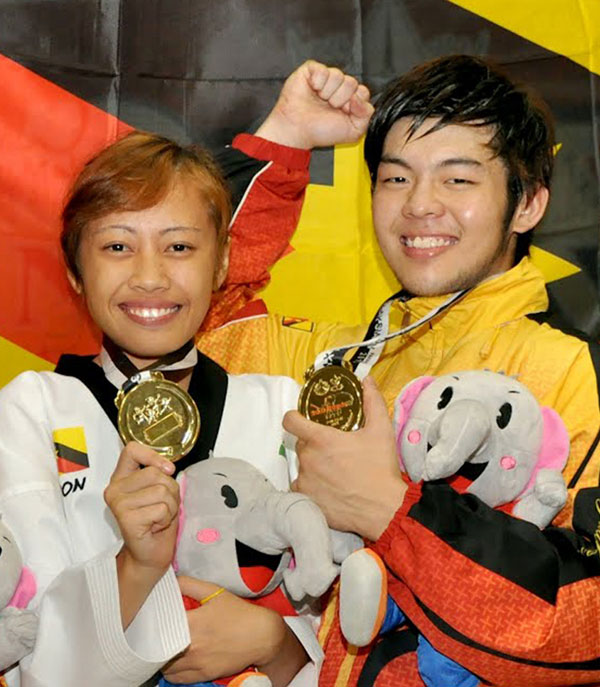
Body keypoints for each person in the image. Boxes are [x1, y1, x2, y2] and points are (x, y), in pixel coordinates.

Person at [198, 57, 600, 686]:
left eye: (458, 180)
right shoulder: (328, 358)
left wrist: (389, 507)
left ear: (527, 204)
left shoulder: (574, 370)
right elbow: (188, 311)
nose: (419, 206)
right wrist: (285, 139)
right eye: (395, 178)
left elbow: (581, 619)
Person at [0, 89, 369, 686]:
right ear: (73, 269)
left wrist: (276, 645)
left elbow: (337, 627)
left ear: (221, 263)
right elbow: (29, 658)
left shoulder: (281, 408)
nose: (150, 276)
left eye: (179, 246)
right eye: (117, 246)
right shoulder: (28, 411)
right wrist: (135, 568)